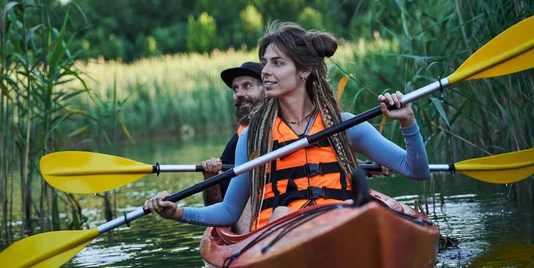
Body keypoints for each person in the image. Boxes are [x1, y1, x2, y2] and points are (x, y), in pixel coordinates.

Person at [145, 22, 429, 231]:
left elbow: (417, 171)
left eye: (277, 63)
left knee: (365, 215)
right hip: (283, 237)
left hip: (343, 226)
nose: (266, 71)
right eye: (265, 63)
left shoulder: (343, 125)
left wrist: (407, 121)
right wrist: (180, 212)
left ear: (304, 71)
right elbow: (230, 211)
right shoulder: (254, 137)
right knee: (281, 212)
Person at [201, 61, 265, 206]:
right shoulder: (236, 144)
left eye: (247, 86)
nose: (239, 94)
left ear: (267, 88)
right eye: (235, 89)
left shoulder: (289, 127)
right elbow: (217, 208)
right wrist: (211, 180)